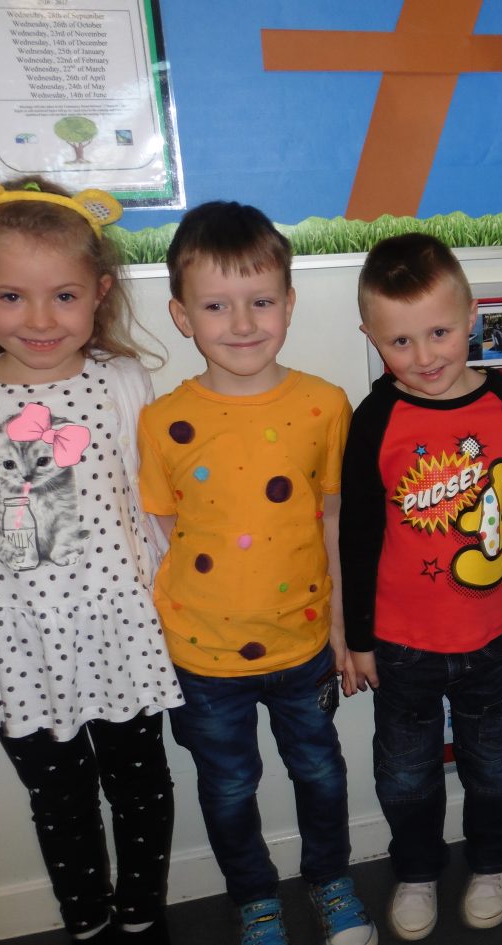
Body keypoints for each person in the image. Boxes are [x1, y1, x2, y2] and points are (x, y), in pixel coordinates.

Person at [0, 176, 179, 944]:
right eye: (12, 297)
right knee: (59, 797)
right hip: (17, 636)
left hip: (116, 626)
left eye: (63, 296)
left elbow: (151, 504)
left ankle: (142, 911)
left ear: (99, 292)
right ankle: (87, 918)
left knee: (140, 785)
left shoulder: (121, 381)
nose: (39, 320)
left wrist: (164, 598)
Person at [137, 202, 375, 945]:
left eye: (261, 301)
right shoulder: (161, 421)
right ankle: (254, 899)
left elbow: (333, 521)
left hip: (303, 646)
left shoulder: (325, 405)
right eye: (216, 306)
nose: (242, 323)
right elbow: (169, 530)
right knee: (229, 786)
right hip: (203, 658)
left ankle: (331, 880)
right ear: (182, 316)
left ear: (290, 304)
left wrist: (342, 628)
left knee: (321, 773)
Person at [340, 233, 502, 940]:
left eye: (439, 333)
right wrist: (359, 637)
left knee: (496, 766)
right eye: (400, 341)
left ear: (472, 319)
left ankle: (493, 860)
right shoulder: (376, 419)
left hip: (488, 635)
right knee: (406, 774)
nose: (425, 356)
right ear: (370, 337)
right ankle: (416, 869)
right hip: (401, 645)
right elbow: (358, 535)